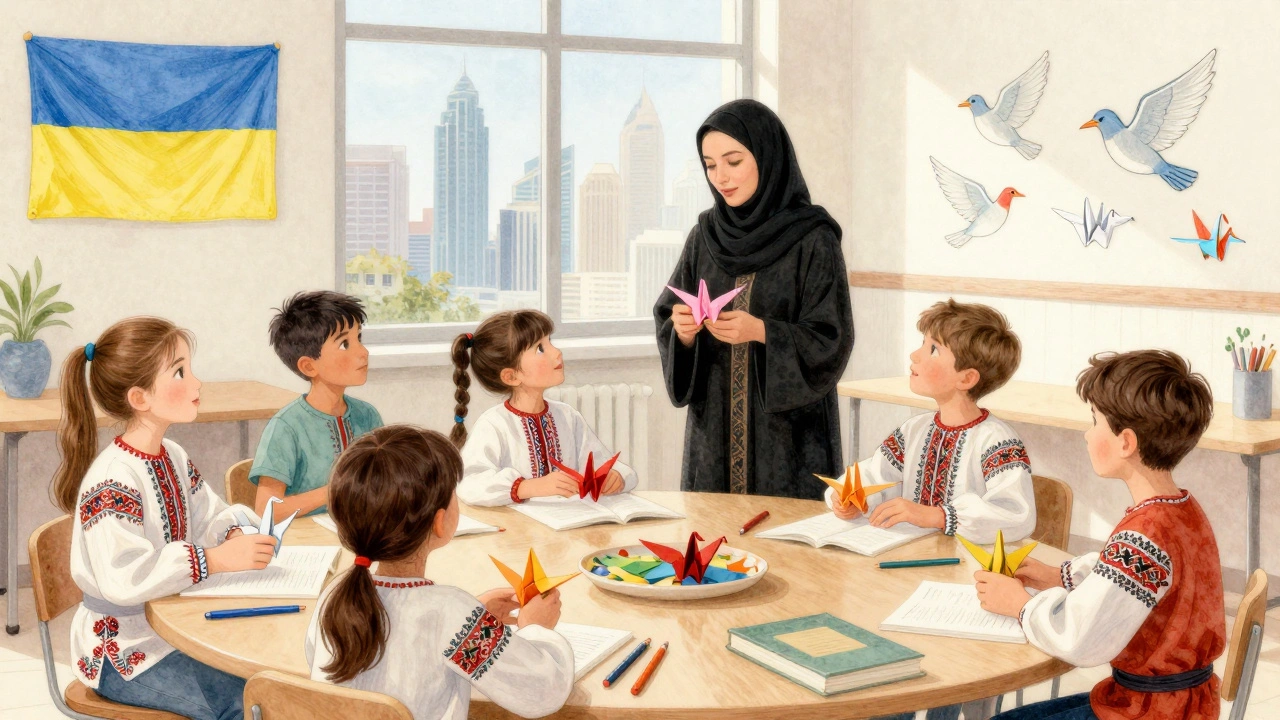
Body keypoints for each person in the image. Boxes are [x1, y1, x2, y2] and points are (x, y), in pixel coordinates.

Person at [981, 350, 1224, 720]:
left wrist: (1019, 603)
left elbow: (1081, 640)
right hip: (1178, 704)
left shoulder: (1146, 532)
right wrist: (1060, 576)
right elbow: (1132, 579)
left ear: (1126, 442)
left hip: (1148, 712)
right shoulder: (1181, 509)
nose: (1086, 432)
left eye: (1094, 421)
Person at [53, 317, 276, 720]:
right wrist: (217, 559)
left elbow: (209, 513)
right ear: (139, 398)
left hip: (174, 628)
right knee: (245, 701)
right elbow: (124, 577)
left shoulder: (171, 453)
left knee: (269, 680)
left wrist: (237, 531)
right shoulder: (112, 480)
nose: (196, 383)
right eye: (180, 372)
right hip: (125, 654)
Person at [655, 98, 853, 498]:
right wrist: (684, 332)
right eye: (710, 165)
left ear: (767, 156)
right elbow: (669, 313)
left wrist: (762, 331)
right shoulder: (704, 237)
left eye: (733, 161)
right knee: (713, 546)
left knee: (788, 549)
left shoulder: (813, 238)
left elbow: (832, 337)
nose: (721, 177)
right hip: (713, 431)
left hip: (789, 438)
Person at [307, 425, 576, 719]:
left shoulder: (333, 595)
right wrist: (535, 626)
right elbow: (542, 691)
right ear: (439, 522)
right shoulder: (451, 612)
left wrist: (477, 616)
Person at [827, 300, 1035, 544]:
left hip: (968, 566)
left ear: (967, 378)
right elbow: (876, 475)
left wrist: (938, 516)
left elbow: (1015, 515)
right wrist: (853, 499)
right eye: (922, 344)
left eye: (933, 349)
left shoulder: (997, 441)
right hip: (905, 554)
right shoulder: (914, 430)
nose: (914, 355)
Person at [452, 309, 637, 505]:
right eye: (540, 348)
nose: (557, 352)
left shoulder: (567, 416)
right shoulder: (494, 424)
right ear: (511, 376)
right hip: (519, 530)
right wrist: (528, 487)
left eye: (551, 342)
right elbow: (469, 484)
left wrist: (616, 476)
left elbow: (600, 462)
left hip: (571, 522)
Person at [250, 290, 383, 517]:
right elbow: (266, 511)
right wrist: (333, 491)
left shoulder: (367, 416)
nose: (363, 352)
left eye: (358, 338)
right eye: (344, 344)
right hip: (307, 546)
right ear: (309, 366)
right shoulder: (287, 426)